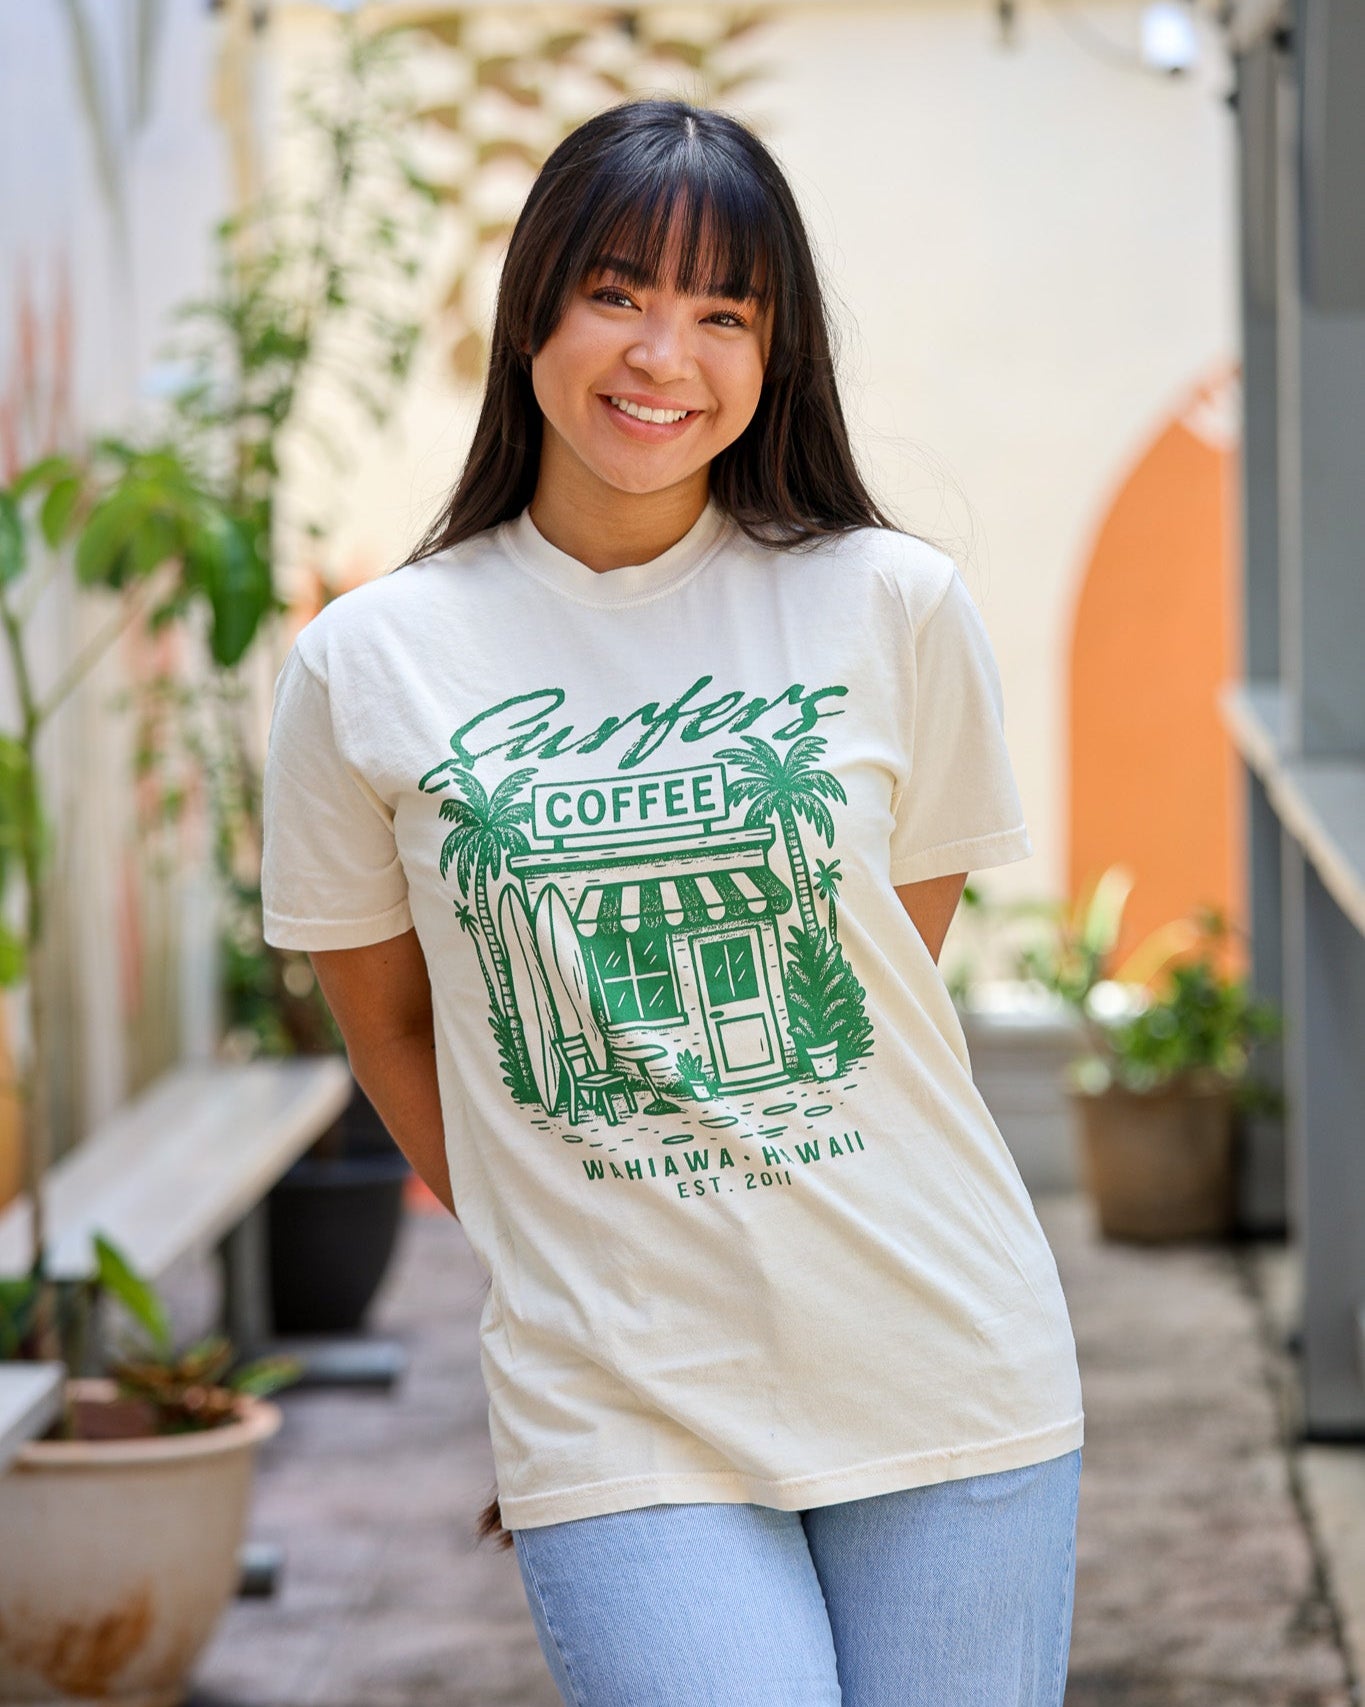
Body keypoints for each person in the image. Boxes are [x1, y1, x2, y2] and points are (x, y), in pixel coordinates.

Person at [262, 97, 1084, 1706]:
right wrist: (572, 1251)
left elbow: (875, 1000)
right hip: (621, 1397)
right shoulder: (368, 665)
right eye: (620, 293)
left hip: (939, 1356)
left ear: (776, 355)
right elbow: (394, 1030)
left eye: (726, 313)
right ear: (533, 315)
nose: (664, 355)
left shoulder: (890, 606)